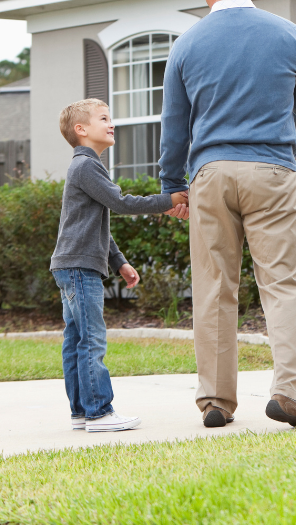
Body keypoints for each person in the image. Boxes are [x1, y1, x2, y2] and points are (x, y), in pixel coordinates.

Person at [159, 0, 296, 429]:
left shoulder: (186, 45)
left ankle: (215, 400)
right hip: (272, 169)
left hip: (210, 174)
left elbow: (175, 125)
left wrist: (174, 184)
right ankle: (288, 390)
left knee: (213, 287)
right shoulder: (286, 33)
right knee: (283, 284)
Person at [51, 99, 189, 432]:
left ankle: (81, 411)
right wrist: (166, 201)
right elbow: (120, 203)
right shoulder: (86, 165)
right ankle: (99, 412)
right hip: (80, 268)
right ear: (81, 130)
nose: (111, 124)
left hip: (71, 265)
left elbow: (96, 222)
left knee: (76, 340)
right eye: (104, 118)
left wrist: (119, 262)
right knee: (92, 339)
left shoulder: (84, 167)